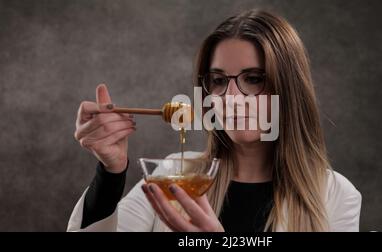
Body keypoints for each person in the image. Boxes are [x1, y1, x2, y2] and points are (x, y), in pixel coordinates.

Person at [68, 9, 361, 232]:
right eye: (218, 80)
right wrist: (111, 172)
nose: (231, 96)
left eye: (254, 78)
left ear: (290, 88)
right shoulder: (173, 176)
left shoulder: (334, 196)